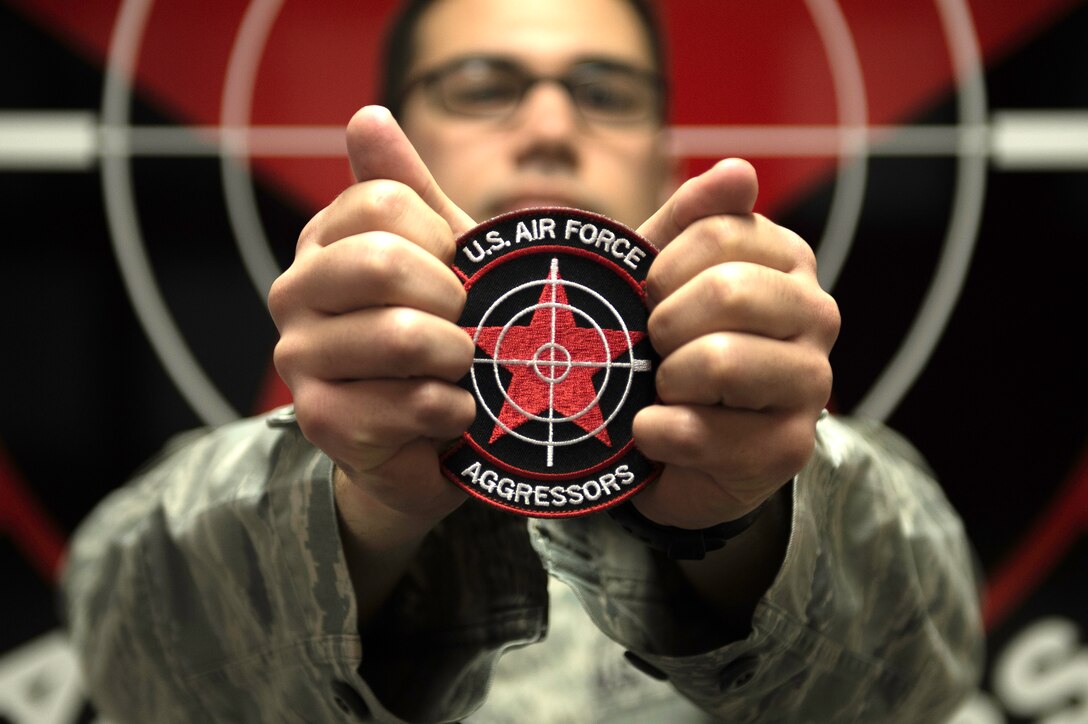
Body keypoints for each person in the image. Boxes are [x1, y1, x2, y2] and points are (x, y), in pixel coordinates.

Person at [59, 0, 985, 721]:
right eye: (479, 84)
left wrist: (745, 518)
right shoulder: (222, 497)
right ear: (396, 150)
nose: (549, 125)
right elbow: (129, 657)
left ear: (666, 163)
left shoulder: (826, 477)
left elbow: (928, 669)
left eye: (606, 92)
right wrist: (364, 504)